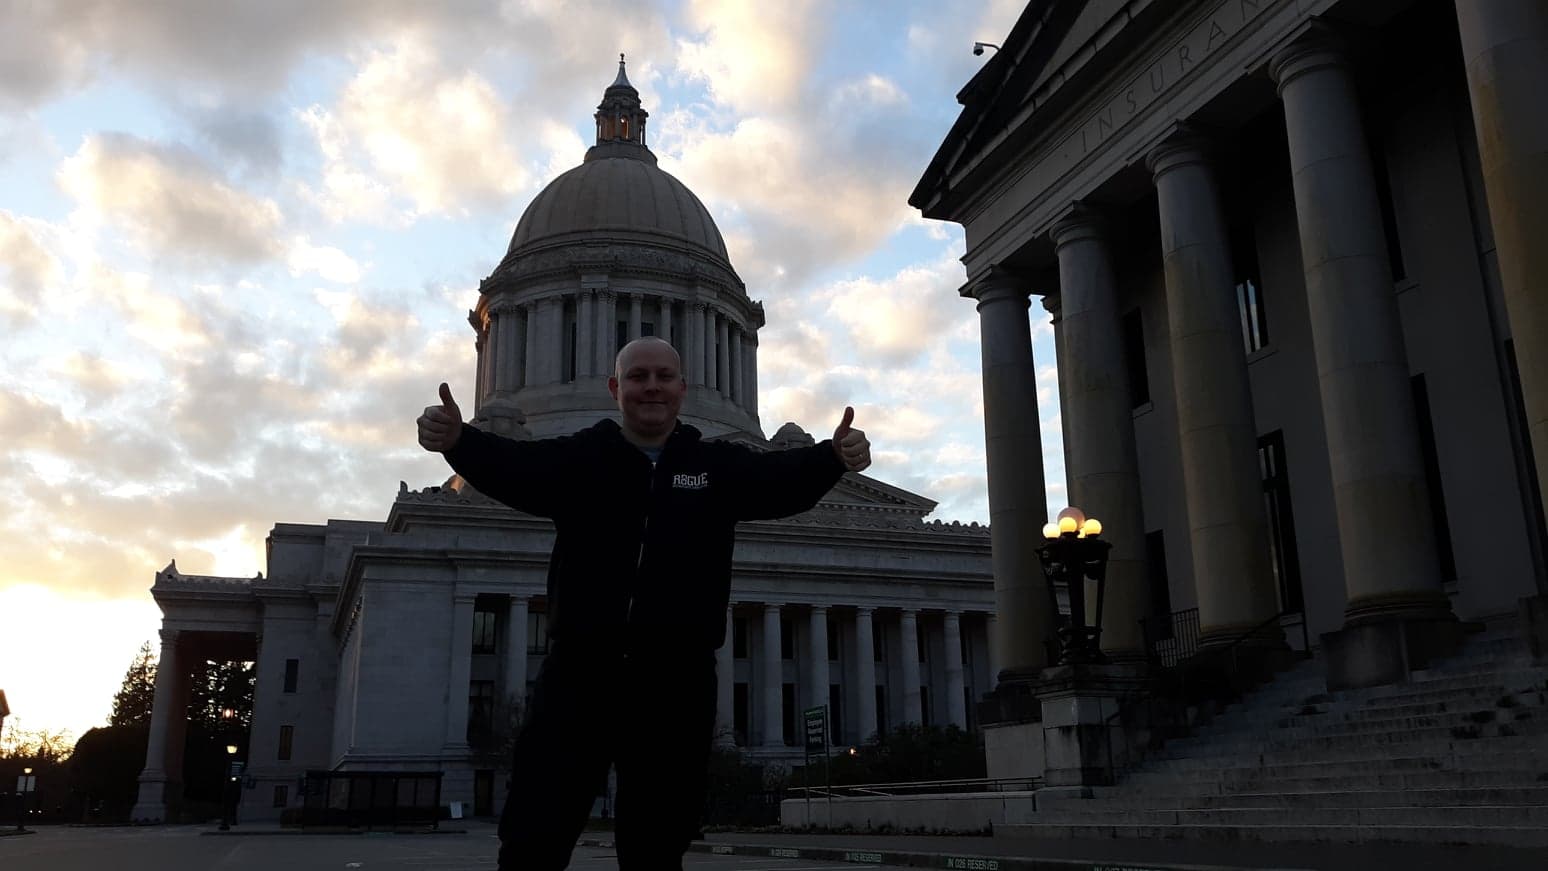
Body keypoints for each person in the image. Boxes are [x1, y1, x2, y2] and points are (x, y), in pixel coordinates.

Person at [416, 336, 871, 870]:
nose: (650, 387)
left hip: (675, 678)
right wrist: (459, 442)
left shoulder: (714, 466)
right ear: (616, 387)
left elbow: (780, 483)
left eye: (662, 376)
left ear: (683, 388)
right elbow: (515, 466)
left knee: (657, 843)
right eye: (637, 377)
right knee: (534, 834)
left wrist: (832, 459)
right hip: (582, 670)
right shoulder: (582, 458)